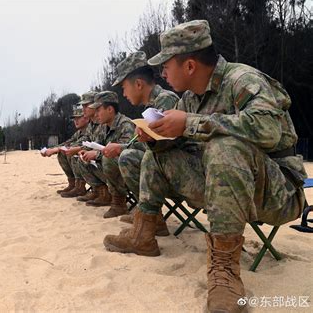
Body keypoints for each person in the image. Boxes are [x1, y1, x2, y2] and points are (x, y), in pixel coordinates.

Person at [103, 20, 307, 313]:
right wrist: (157, 138)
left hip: (278, 190)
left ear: (189, 66)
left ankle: (224, 273)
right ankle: (144, 233)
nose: (162, 74)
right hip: (225, 186)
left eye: (166, 66)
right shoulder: (190, 98)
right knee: (155, 155)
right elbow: (183, 145)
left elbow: (268, 130)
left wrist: (189, 123)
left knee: (225, 147)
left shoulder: (242, 79)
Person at [102, 51, 179, 221]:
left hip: (173, 169)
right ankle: (147, 215)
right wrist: (120, 147)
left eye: (124, 88)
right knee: (122, 154)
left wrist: (122, 149)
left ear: (138, 84)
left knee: (127, 157)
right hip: (163, 168)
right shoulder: (152, 105)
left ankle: (151, 218)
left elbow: (166, 146)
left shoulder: (165, 100)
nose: (124, 94)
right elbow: (145, 145)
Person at [78, 91, 135, 215]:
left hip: (129, 172)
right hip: (115, 172)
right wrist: (87, 152)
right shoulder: (105, 126)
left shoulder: (125, 125)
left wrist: (97, 154)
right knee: (83, 159)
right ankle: (102, 192)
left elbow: (130, 152)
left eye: (98, 110)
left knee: (108, 159)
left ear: (110, 109)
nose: (96, 114)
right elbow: (97, 146)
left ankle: (119, 203)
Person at [41, 104, 90, 197]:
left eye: (78, 118)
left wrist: (55, 150)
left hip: (91, 158)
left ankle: (80, 186)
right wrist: (52, 149)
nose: (75, 121)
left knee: (72, 154)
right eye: (74, 119)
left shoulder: (89, 131)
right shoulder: (79, 132)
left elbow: (76, 145)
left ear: (87, 118)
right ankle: (73, 184)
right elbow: (67, 143)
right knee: (62, 154)